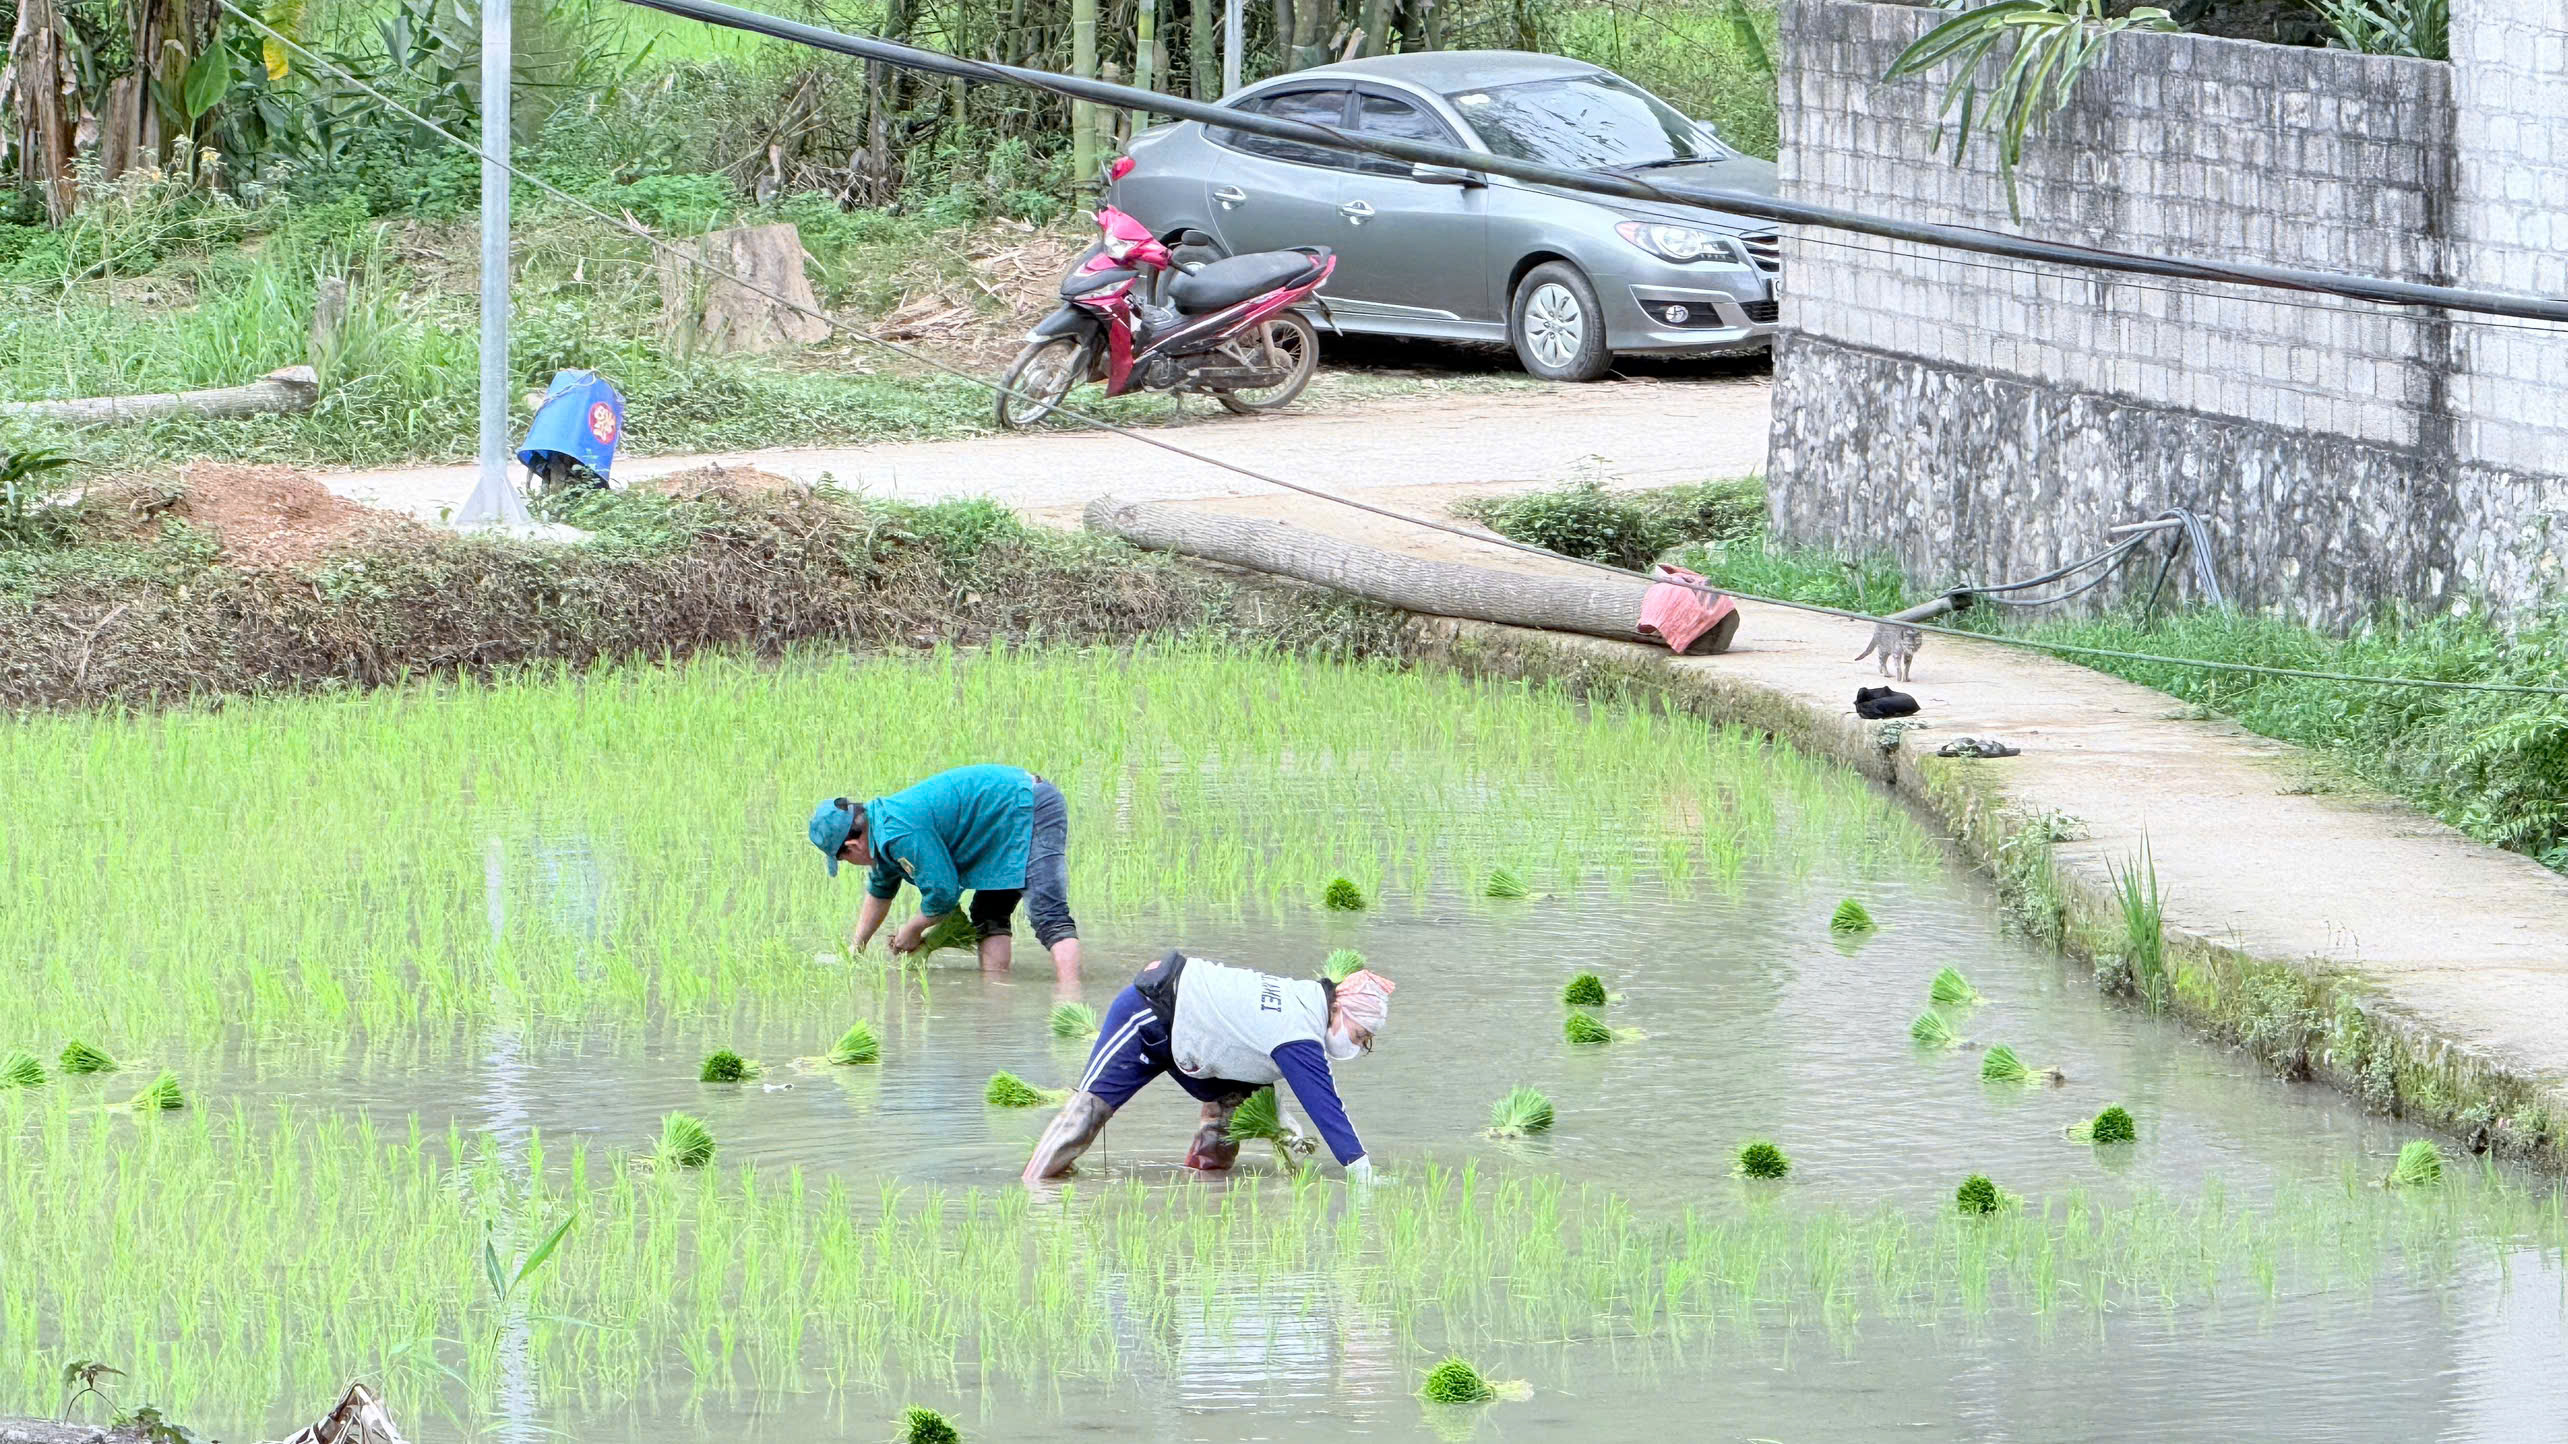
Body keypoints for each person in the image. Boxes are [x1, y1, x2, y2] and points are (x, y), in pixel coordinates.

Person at [1022, 950, 1393, 1185]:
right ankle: (1033, 1191)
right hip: (1150, 1012)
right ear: (1338, 1009)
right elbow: (1326, 1106)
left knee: (1232, 1111)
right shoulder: (1300, 1030)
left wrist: (1284, 1126)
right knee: (1087, 1114)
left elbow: (1261, 1066)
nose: (1357, 1044)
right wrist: (1360, 1170)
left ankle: (1206, 1189)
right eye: (1359, 1034)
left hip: (1196, 1041)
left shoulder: (1305, 1003)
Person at [809, 763, 1080, 983]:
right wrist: (856, 949)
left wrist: (911, 930)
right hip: (1001, 823)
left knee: (1048, 913)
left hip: (1028, 806)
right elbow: (880, 891)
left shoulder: (898, 833)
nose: (850, 864)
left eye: (843, 859)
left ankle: (1071, 1000)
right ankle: (996, 996)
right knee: (988, 914)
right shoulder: (879, 833)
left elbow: (944, 893)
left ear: (852, 846)